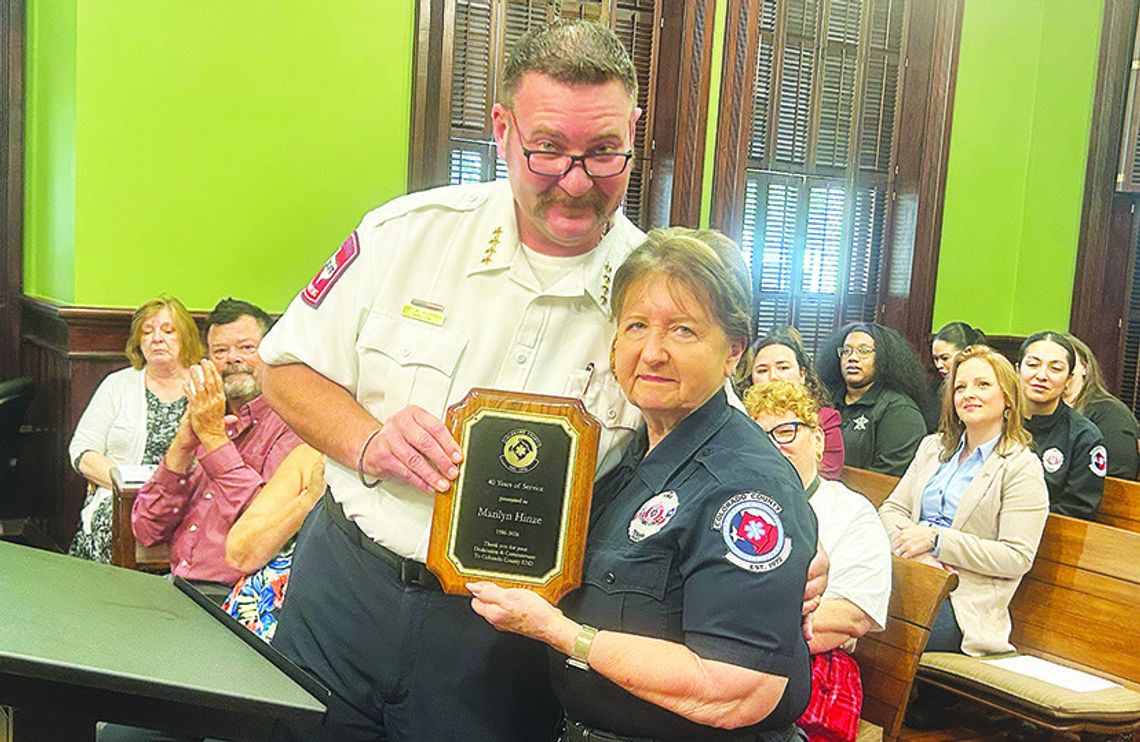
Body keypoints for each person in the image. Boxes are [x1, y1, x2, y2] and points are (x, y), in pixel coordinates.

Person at [256, 21, 649, 741]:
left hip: (504, 644)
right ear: (502, 129)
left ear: (633, 133)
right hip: (346, 593)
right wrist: (368, 441)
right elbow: (284, 368)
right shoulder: (408, 235)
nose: (575, 182)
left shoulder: (661, 294)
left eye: (603, 153)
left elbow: (717, 458)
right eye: (547, 150)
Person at [466, 228, 816, 741]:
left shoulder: (746, 487)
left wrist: (561, 633)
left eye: (682, 331)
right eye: (636, 326)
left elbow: (739, 689)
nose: (652, 352)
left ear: (733, 352)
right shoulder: (622, 452)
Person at [879, 345, 1048, 728]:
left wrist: (937, 542)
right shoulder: (933, 448)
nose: (968, 394)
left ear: (1008, 398)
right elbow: (891, 510)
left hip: (964, 600)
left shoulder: (1020, 466)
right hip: (908, 570)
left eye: (982, 385)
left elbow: (1016, 557)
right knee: (844, 602)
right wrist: (913, 549)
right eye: (960, 387)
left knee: (882, 624)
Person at [745, 379, 889, 740]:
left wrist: (743, 633)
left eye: (786, 431)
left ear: (819, 440)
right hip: (737, 665)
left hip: (808, 670)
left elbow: (850, 616)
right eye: (759, 437)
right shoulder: (738, 507)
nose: (773, 447)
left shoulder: (851, 511)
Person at [131, 299, 302, 603]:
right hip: (178, 585)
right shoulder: (207, 413)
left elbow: (268, 525)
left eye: (246, 348)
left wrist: (214, 442)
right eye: (220, 351)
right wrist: (182, 447)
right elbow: (147, 529)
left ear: (271, 353)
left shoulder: (292, 424)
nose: (232, 359)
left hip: (243, 596)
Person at [68, 295, 203, 563]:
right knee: (113, 525)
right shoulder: (117, 385)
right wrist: (132, 487)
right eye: (147, 331)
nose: (157, 338)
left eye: (168, 331)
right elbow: (82, 451)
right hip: (124, 497)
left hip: (191, 497)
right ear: (138, 342)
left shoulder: (206, 383)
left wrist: (167, 491)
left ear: (186, 338)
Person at [222, 444, 325, 642]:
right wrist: (309, 500)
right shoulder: (313, 457)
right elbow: (239, 555)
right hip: (248, 627)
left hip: (321, 641)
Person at [816, 322, 928, 476]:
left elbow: (886, 477)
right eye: (846, 351)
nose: (852, 358)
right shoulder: (825, 400)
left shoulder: (900, 411)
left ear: (883, 358)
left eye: (864, 351)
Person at [1018, 332, 1106, 519]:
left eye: (1055, 369)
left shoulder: (1084, 436)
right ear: (1017, 370)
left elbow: (1078, 509)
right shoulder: (995, 419)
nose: (1041, 376)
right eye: (1032, 365)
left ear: (1069, 379)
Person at [747, 327, 845, 478]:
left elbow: (828, 471)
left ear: (802, 374)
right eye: (762, 370)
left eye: (783, 368)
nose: (773, 377)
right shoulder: (740, 419)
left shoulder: (826, 419)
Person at [1063, 333, 1139, 480]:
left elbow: (1118, 478)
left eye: (1068, 362)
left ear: (1085, 367)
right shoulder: (1038, 411)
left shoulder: (1110, 413)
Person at [927, 322, 986, 431]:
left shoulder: (984, 393)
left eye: (945, 358)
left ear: (966, 352)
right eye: (935, 359)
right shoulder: (932, 391)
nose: (939, 365)